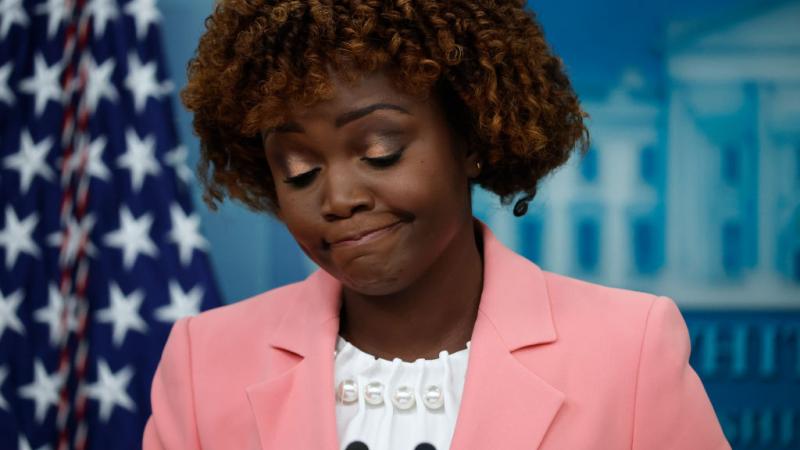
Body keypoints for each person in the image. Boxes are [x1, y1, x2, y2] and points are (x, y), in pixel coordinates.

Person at [143, 1, 730, 449]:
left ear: (470, 136)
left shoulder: (630, 351)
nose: (339, 197)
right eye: (298, 170)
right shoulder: (202, 363)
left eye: (380, 150)